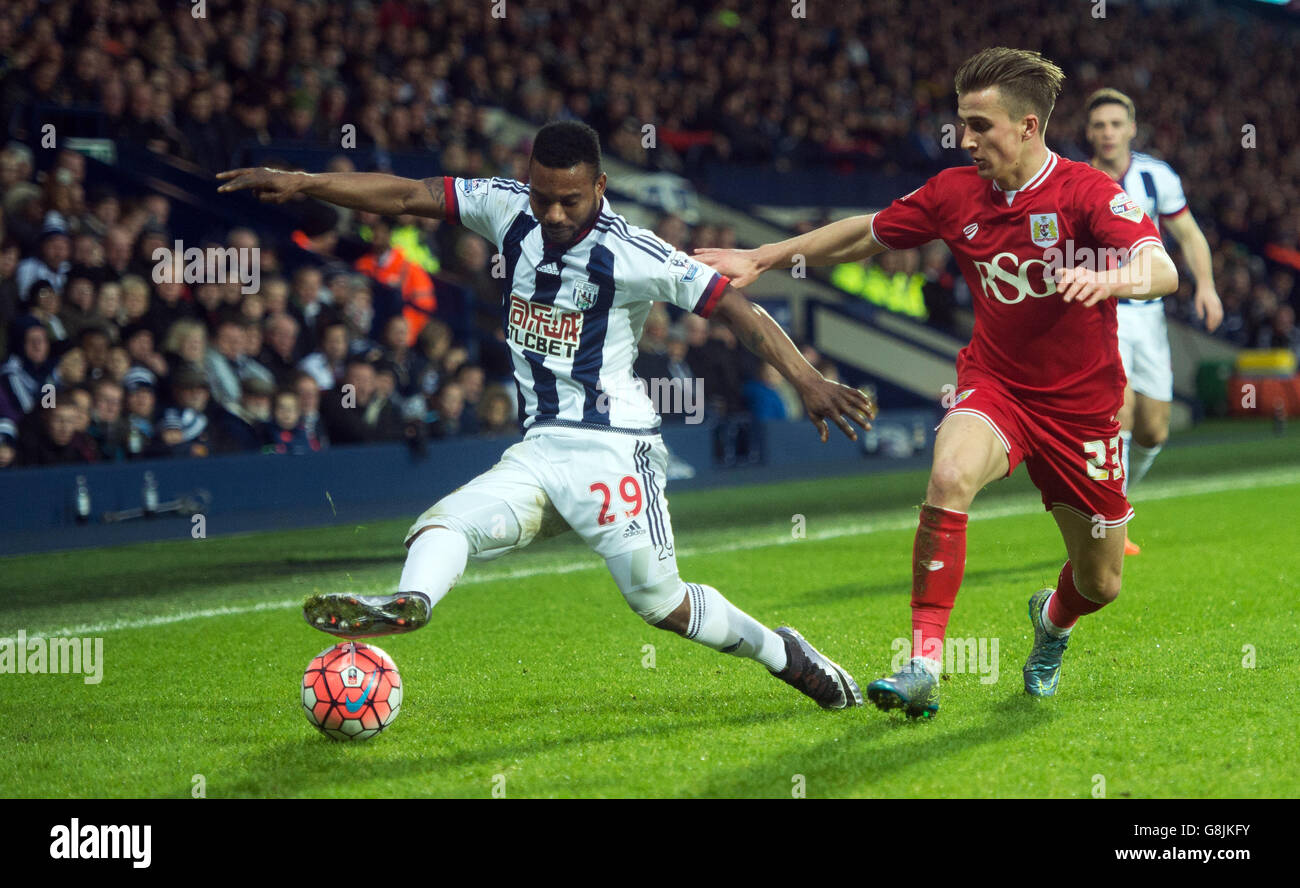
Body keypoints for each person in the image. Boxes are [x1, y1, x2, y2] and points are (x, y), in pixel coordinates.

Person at [218, 120, 876, 710]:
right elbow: (407, 195)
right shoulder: (506, 207)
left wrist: (806, 377)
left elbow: (734, 306)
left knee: (661, 603)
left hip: (615, 451)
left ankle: (784, 655)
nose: (555, 213)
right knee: (440, 525)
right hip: (539, 451)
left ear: (601, 185)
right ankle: (409, 602)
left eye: (571, 199)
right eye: (544, 197)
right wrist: (305, 182)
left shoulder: (634, 252)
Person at [697, 48, 1179, 717]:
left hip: (1082, 410)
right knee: (949, 475)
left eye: (981, 125)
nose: (966, 138)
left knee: (1100, 583)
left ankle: (1053, 623)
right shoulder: (954, 193)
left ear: (1029, 127)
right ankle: (924, 661)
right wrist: (764, 255)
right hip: (997, 388)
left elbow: (1160, 268)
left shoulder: (1088, 194)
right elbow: (862, 236)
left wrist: (1109, 278)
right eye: (962, 123)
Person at [1084, 88, 1224, 555]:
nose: (1108, 133)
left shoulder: (1156, 176)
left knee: (1153, 429)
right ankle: (1108, 521)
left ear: (1131, 129)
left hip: (1150, 315)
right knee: (1117, 412)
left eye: (1115, 124)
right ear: (1089, 132)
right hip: (1101, 313)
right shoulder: (1076, 179)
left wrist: (1205, 285)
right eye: (1100, 125)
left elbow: (1187, 233)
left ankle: (1116, 501)